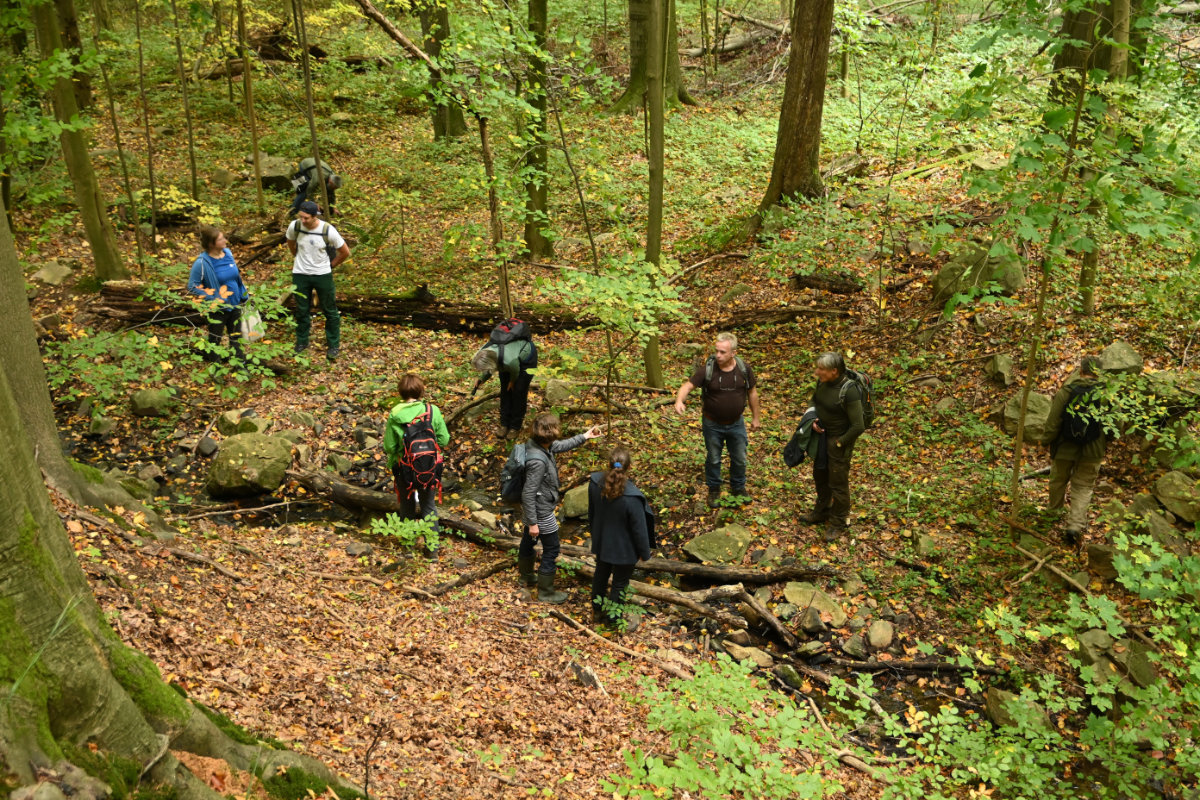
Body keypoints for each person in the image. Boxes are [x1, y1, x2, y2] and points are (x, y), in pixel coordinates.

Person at [519, 413, 603, 604]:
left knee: (528, 540)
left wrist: (585, 436)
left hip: (533, 509)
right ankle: (546, 592)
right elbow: (528, 493)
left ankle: (526, 577)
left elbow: (560, 445)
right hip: (540, 511)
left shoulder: (537, 445)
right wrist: (533, 522)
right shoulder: (538, 462)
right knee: (552, 548)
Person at [673, 332, 761, 507]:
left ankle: (738, 487)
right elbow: (687, 386)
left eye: (722, 352)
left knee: (740, 457)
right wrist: (679, 400)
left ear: (733, 353)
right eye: (716, 351)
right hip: (712, 423)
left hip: (736, 423)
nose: (718, 355)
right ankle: (714, 489)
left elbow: (752, 393)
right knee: (713, 458)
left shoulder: (744, 369)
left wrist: (756, 418)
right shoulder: (708, 369)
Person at [801, 352, 866, 542]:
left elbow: (858, 425)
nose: (817, 372)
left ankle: (838, 522)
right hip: (822, 436)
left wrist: (840, 442)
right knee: (820, 474)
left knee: (838, 483)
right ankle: (822, 511)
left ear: (834, 371)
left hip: (839, 441)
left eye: (821, 369)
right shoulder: (823, 382)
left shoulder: (849, 390)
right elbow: (815, 400)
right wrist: (812, 419)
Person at [1043, 357, 1107, 545]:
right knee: (1083, 486)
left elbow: (1053, 421)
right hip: (1092, 451)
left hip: (1064, 448)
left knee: (1058, 480)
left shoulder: (1067, 392)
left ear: (1081, 372)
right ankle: (1074, 526)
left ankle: (1053, 514)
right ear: (1099, 374)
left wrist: (1045, 440)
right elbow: (1116, 425)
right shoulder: (1106, 395)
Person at [587, 447, 652, 630]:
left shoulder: (595, 484)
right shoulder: (632, 498)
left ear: (608, 464)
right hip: (625, 550)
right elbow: (639, 530)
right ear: (629, 467)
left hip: (602, 542)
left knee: (601, 574)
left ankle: (597, 610)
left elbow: (592, 513)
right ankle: (614, 619)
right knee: (619, 583)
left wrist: (595, 535)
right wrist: (644, 553)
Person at [383, 374, 450, 531]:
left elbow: (389, 447)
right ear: (421, 391)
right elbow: (444, 439)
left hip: (403, 466)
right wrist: (429, 450)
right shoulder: (432, 410)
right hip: (429, 466)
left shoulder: (395, 413)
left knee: (407, 505)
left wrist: (405, 451)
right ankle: (432, 550)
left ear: (401, 393)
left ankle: (408, 546)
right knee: (428, 506)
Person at [286, 200, 349, 360]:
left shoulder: (328, 230)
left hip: (322, 274)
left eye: (306, 218)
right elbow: (291, 242)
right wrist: (297, 257)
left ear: (315, 217)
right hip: (300, 273)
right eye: (301, 217)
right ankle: (302, 341)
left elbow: (345, 252)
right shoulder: (295, 226)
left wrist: (330, 266)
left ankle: (333, 345)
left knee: (330, 310)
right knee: (301, 310)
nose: (303, 220)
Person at [188, 225, 248, 365]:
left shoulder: (228, 253)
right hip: (217, 309)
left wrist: (243, 293)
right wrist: (214, 298)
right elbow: (192, 286)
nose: (225, 241)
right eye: (221, 239)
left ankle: (239, 365)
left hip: (235, 303)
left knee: (236, 337)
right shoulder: (202, 262)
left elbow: (236, 277)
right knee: (215, 339)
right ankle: (215, 367)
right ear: (211, 244)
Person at [471, 332, 537, 439]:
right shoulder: (484, 351)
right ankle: (504, 424)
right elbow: (489, 366)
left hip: (526, 359)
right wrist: (482, 379)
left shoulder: (509, 361)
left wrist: (512, 382)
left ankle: (515, 427)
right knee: (505, 392)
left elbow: (515, 369)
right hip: (505, 359)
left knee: (518, 392)